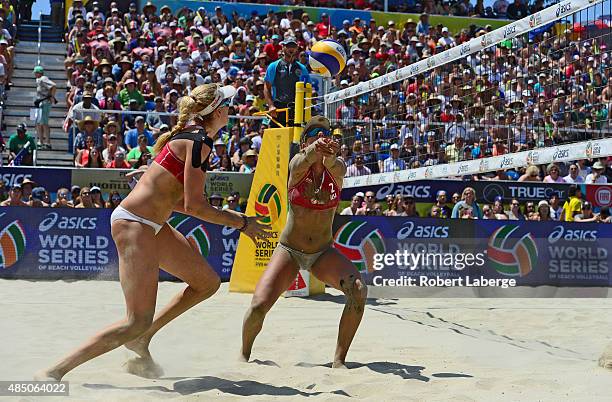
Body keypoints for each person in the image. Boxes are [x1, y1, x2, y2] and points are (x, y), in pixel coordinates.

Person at [36, 83, 270, 381]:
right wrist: (242, 223)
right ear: (217, 111)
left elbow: (179, 201)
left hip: (150, 223)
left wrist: (239, 221)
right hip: (135, 223)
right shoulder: (198, 141)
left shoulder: (194, 137)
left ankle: (142, 339)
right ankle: (53, 372)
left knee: (207, 283)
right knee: (136, 320)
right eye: (229, 104)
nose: (233, 109)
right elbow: (195, 206)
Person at [241, 116, 366, 368]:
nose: (321, 137)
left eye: (325, 134)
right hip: (290, 250)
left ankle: (339, 361)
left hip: (322, 253)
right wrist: (314, 150)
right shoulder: (298, 165)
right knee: (258, 307)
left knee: (359, 291)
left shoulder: (337, 168)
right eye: (314, 134)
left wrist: (328, 155)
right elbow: (300, 161)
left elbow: (337, 165)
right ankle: (244, 355)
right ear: (304, 143)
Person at [264, 37, 309, 127]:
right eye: (288, 46)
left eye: (293, 46)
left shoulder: (302, 68)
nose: (291, 49)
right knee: (277, 138)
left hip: (296, 109)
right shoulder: (274, 66)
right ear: (283, 47)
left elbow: (307, 89)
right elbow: (266, 87)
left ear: (297, 49)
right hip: (278, 109)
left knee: (295, 139)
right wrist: (271, 105)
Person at [33, 66, 57, 150]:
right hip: (40, 102)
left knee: (44, 122)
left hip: (44, 103)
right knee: (39, 123)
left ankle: (47, 142)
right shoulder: (39, 80)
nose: (35, 74)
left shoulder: (43, 78)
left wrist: (51, 97)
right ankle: (41, 141)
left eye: (36, 73)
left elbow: (53, 85)